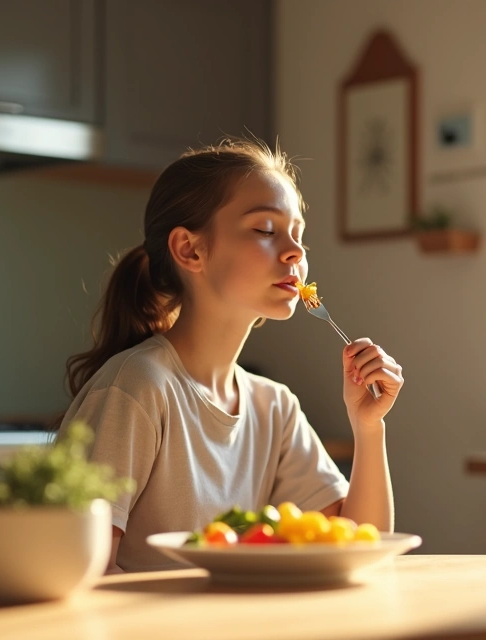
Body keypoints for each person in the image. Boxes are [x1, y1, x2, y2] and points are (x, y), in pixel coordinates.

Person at [58, 138, 403, 573]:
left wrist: (368, 427)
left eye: (299, 235)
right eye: (265, 229)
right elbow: (81, 572)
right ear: (190, 249)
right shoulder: (138, 386)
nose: (295, 252)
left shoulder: (273, 406)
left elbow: (356, 550)